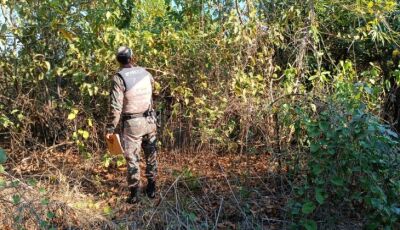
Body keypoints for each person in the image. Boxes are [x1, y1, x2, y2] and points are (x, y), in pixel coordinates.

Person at [106, 46, 158, 204]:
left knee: (133, 158)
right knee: (151, 155)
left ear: (117, 60)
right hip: (150, 121)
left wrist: (110, 128)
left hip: (132, 123)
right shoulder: (146, 73)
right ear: (132, 57)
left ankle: (135, 194)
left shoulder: (119, 77)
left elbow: (116, 108)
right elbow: (152, 93)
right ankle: (152, 189)